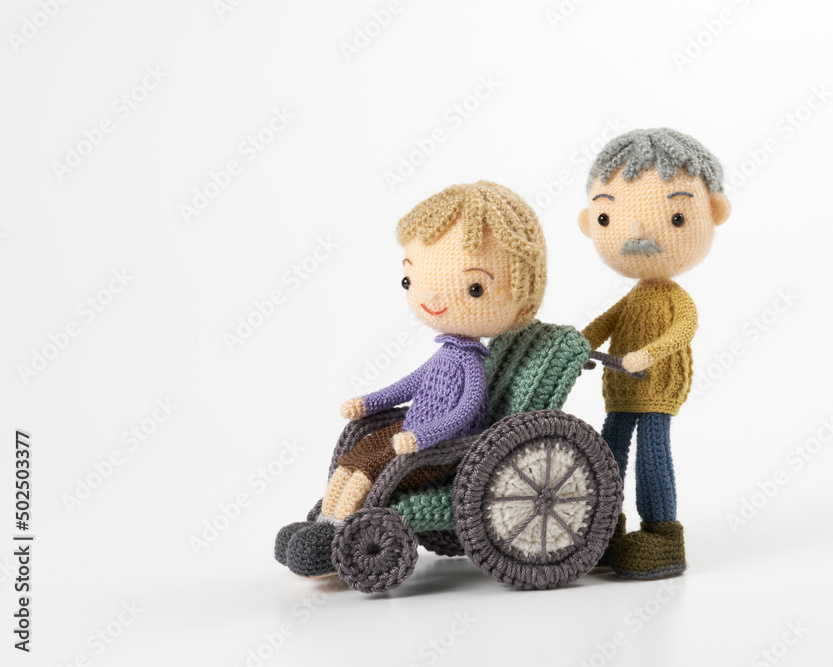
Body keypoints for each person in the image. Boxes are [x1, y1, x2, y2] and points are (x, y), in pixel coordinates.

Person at [277, 180, 547, 577]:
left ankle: (337, 529)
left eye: (474, 288)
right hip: (410, 433)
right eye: (410, 280)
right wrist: (370, 402)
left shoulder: (471, 365)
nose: (430, 299)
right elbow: (409, 385)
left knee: (370, 468)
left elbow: (465, 413)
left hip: (442, 449)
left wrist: (423, 437)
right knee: (354, 458)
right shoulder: (445, 355)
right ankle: (325, 519)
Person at [578, 128, 732, 579]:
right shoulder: (632, 299)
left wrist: (649, 353)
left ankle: (662, 536)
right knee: (606, 454)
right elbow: (604, 323)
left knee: (652, 455)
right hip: (620, 388)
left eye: (676, 217)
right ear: (589, 222)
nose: (636, 233)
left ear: (714, 212)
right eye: (607, 217)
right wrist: (579, 343)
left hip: (658, 388)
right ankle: (605, 527)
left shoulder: (675, 298)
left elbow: (684, 329)